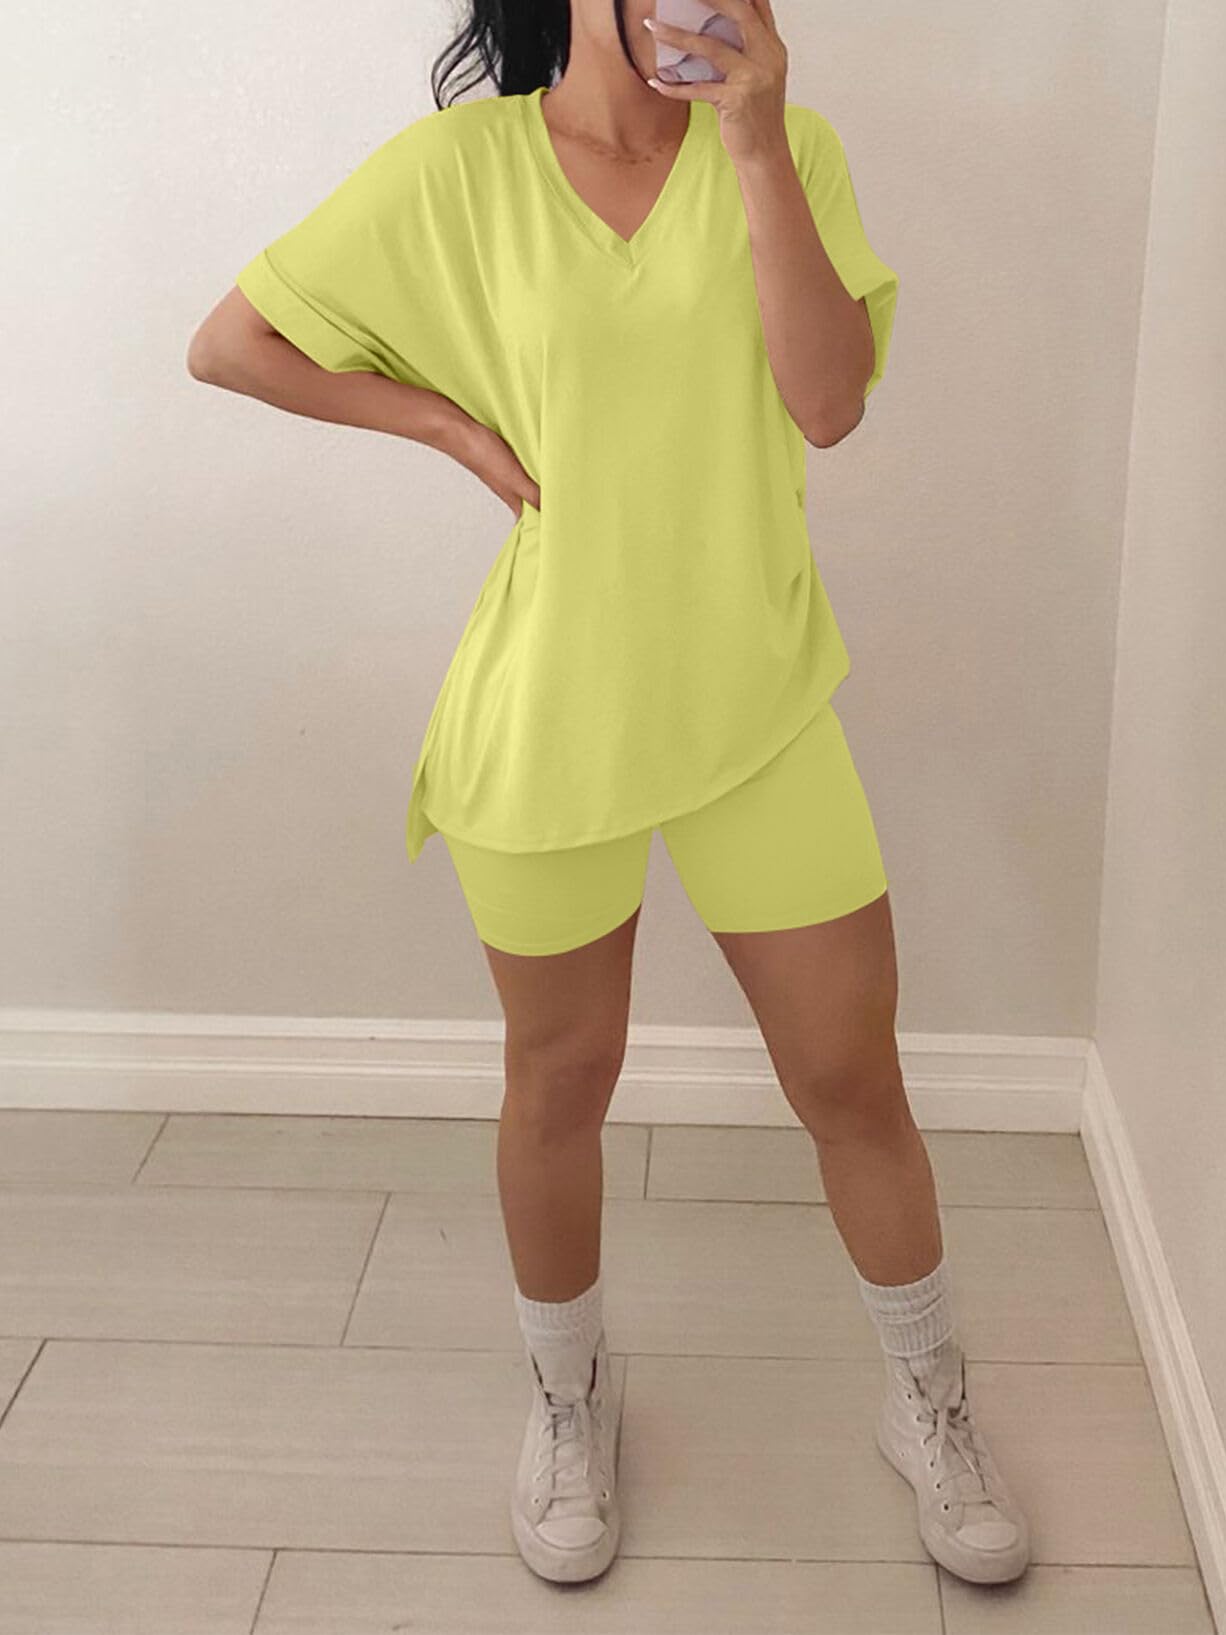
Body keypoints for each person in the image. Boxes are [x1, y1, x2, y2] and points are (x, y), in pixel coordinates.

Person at [188, 0, 1031, 1594]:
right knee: (557, 1082)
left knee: (850, 1078)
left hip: (757, 704)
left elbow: (827, 404)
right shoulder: (461, 170)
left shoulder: (790, 148)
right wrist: (444, 423)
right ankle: (569, 1403)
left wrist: (755, 142)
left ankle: (930, 1402)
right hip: (548, 710)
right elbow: (231, 343)